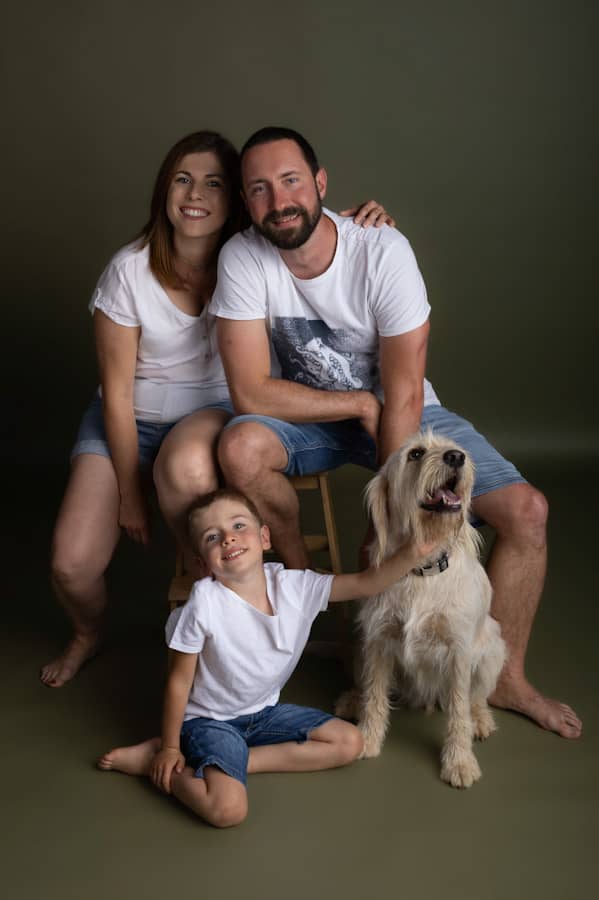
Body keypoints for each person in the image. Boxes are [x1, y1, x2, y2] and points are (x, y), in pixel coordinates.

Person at [210, 126, 582, 739]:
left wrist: (392, 514)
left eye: (291, 180)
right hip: (317, 416)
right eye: (259, 189)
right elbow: (250, 391)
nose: (278, 200)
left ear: (321, 184)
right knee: (240, 445)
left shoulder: (382, 250)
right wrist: (355, 402)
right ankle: (309, 605)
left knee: (527, 512)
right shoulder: (243, 257)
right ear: (247, 203)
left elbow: (404, 393)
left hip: (405, 417)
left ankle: (508, 675)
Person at [42, 128, 393, 688]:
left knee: (186, 467)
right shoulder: (128, 271)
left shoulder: (255, 258)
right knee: (71, 564)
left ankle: (238, 620)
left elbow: (318, 237)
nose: (195, 193)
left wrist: (363, 220)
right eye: (182, 179)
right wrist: (131, 493)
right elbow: (118, 395)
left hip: (209, 413)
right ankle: (89, 632)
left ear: (234, 200)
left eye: (212, 183)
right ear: (164, 191)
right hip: (125, 418)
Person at [98, 488, 437, 827]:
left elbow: (365, 583)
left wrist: (412, 554)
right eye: (213, 537)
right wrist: (171, 747)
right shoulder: (205, 603)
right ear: (202, 563)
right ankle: (161, 762)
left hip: (263, 714)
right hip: (209, 721)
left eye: (238, 526)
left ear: (264, 538)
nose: (228, 539)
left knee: (349, 742)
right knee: (228, 811)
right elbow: (178, 681)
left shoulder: (295, 587)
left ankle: (235, 761)